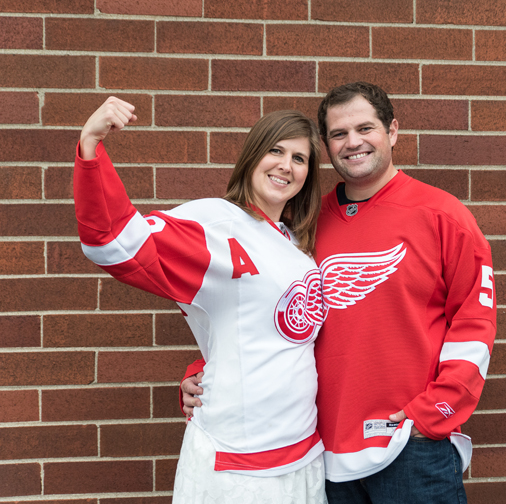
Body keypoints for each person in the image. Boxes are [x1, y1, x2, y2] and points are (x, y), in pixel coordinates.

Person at [182, 82, 497, 504]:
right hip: (322, 454)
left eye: (365, 128)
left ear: (393, 132)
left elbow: (475, 321)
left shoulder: (443, 215)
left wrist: (436, 410)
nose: (353, 143)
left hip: (410, 447)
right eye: (338, 134)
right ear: (326, 147)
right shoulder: (305, 222)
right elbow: (265, 311)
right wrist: (210, 371)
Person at [75, 97, 327, 504]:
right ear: (252, 156)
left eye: (300, 158)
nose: (286, 165)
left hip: (304, 455)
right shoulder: (214, 222)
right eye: (276, 150)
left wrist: (205, 366)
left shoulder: (299, 244)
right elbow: (114, 243)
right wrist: (91, 144)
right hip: (236, 463)